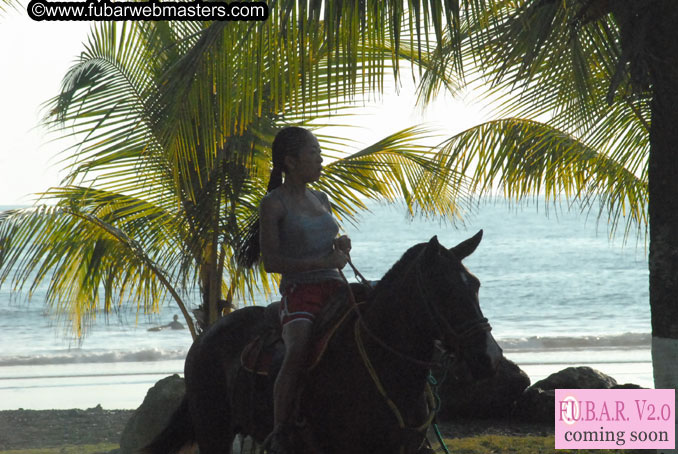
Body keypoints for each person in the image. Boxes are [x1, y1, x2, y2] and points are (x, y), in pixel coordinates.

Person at [258, 126, 351, 454]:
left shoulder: (321, 197)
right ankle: (280, 431)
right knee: (297, 350)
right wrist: (321, 262)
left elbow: (325, 245)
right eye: (314, 152)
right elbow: (270, 261)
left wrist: (341, 247)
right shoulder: (274, 203)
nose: (321, 158)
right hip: (302, 292)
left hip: (337, 287)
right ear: (291, 161)